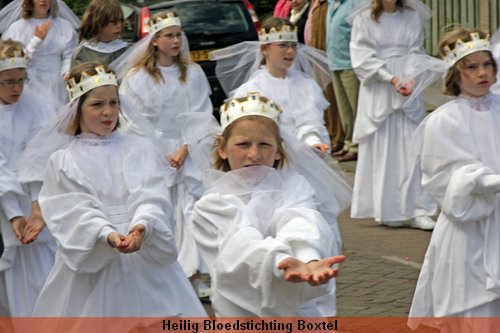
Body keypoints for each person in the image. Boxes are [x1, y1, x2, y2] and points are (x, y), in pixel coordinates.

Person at [31, 62, 207, 319]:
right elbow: (72, 209)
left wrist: (141, 225)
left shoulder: (138, 149)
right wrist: (107, 234)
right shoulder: (64, 161)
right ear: (76, 109)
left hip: (143, 251)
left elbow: (151, 195)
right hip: (95, 252)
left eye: (114, 103)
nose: (108, 112)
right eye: (97, 105)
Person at [186, 92, 351, 316]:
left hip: (296, 308)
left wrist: (308, 258)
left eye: (264, 144)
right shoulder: (211, 204)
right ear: (222, 149)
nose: (254, 154)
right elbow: (239, 245)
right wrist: (282, 260)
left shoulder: (294, 185)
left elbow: (302, 220)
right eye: (243, 144)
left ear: (278, 150)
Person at [114, 11, 213, 299]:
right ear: (154, 41)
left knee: (192, 210)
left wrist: (185, 147)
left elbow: (200, 113)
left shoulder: (192, 74)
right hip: (152, 151)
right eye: (168, 35)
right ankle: (164, 275)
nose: (175, 40)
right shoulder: (137, 78)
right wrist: (159, 151)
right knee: (160, 209)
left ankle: (196, 272)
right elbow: (134, 118)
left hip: (187, 150)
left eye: (178, 34)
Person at [408, 28, 500, 332]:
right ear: (455, 73)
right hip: (469, 227)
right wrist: (489, 182)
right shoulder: (443, 120)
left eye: (487, 64)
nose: (482, 72)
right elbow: (443, 177)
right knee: (475, 308)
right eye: (471, 66)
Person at [349, 0, 437, 229]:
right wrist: (390, 78)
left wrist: (410, 76)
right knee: (384, 147)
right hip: (380, 87)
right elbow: (362, 56)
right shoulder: (364, 19)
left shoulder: (411, 16)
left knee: (412, 148)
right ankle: (388, 208)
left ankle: (419, 208)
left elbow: (416, 51)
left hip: (407, 85)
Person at [211, 17, 333, 154]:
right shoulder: (252, 89)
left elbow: (309, 122)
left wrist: (313, 142)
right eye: (283, 45)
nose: (290, 51)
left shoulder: (307, 86)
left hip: (303, 156)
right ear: (264, 48)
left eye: (294, 45)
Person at [0, 39, 56, 316]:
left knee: (42, 265)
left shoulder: (37, 107)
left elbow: (41, 158)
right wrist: (12, 212)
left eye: (21, 80)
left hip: (35, 198)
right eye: (8, 82)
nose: (16, 88)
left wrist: (37, 205)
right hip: (4, 201)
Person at [0, 0, 79, 108]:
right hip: (29, 79)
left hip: (56, 81)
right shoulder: (17, 28)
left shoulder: (64, 26)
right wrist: (36, 40)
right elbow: (15, 59)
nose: (43, 1)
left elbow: (70, 53)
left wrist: (66, 71)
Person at [305, 0, 345, 153]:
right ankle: (330, 131)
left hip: (326, 57)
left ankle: (338, 136)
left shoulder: (327, 5)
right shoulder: (316, 4)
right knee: (323, 97)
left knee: (332, 99)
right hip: (315, 56)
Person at [326, 0, 362, 162]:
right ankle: (348, 143)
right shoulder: (332, 4)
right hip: (335, 62)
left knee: (356, 107)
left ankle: (358, 145)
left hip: (350, 64)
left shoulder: (355, 3)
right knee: (344, 109)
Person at [70, 0, 127, 69]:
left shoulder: (125, 51)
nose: (119, 25)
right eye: (112, 21)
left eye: (121, 20)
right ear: (97, 22)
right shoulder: (82, 54)